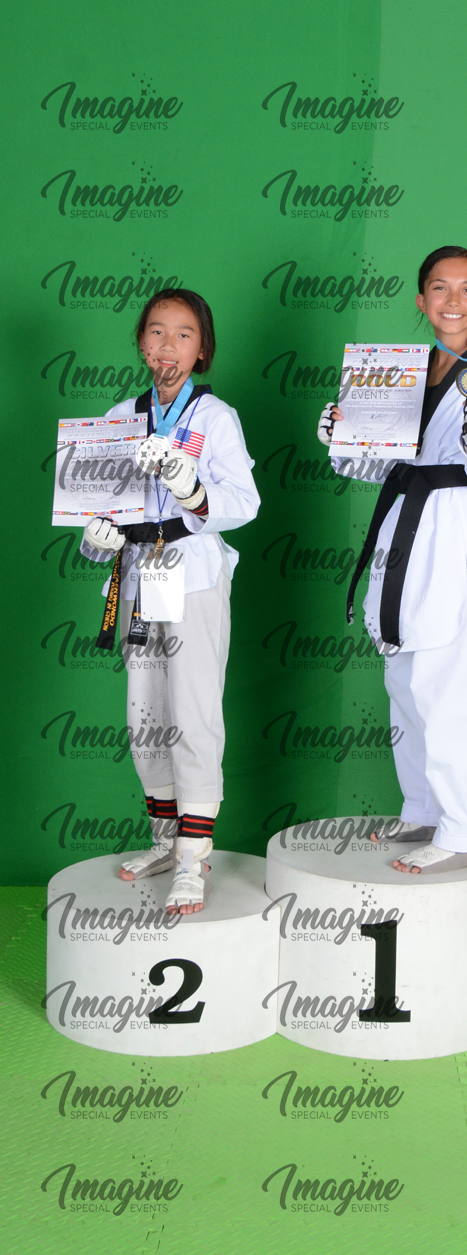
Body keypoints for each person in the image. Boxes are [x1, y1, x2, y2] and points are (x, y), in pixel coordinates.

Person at [318, 246, 467, 873]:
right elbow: (382, 464)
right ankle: (425, 807)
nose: (453, 300)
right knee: (406, 683)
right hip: (404, 531)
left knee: (452, 689)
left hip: (458, 531)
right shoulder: (401, 371)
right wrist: (343, 435)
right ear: (421, 299)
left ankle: (465, 831)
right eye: (440, 287)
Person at [79, 289, 260, 913]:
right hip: (137, 576)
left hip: (193, 574)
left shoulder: (215, 417)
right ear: (141, 343)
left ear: (201, 350)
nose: (168, 345)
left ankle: (193, 856)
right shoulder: (118, 416)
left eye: (184, 334)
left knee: (192, 711)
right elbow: (97, 512)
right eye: (157, 331)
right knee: (146, 715)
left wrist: (191, 486)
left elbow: (245, 502)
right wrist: (97, 540)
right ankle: (163, 838)